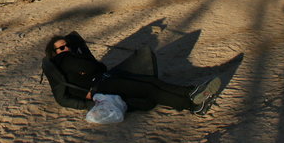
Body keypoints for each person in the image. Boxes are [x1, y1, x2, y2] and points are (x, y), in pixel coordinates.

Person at [42, 32, 221, 115]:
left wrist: (86, 61)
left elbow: (96, 68)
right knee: (148, 89)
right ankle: (193, 104)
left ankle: (192, 93)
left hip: (105, 79)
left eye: (67, 45)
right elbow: (94, 68)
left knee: (150, 83)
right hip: (101, 85)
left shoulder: (67, 59)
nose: (66, 48)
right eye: (62, 47)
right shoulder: (65, 59)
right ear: (54, 52)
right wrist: (86, 101)